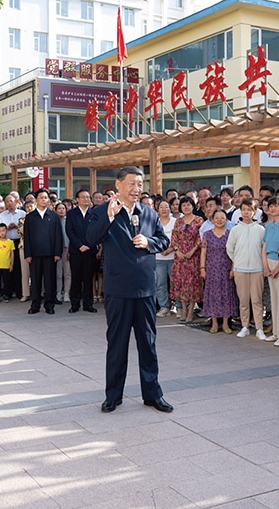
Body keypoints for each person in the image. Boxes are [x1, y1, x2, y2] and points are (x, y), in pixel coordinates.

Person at [87, 166, 172, 413]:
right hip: (118, 289)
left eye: (140, 184)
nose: (137, 189)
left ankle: (153, 394)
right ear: (118, 185)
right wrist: (109, 216)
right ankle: (113, 396)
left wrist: (149, 242)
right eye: (132, 184)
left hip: (145, 289)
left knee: (148, 344)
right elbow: (90, 238)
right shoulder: (102, 211)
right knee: (117, 345)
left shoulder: (148, 213)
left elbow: (164, 240)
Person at [227, 200, 264, 338]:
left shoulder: (260, 229)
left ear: (254, 212)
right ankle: (244, 326)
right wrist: (237, 262)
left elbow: (263, 249)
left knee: (256, 300)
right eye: (244, 209)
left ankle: (259, 328)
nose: (246, 212)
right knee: (243, 300)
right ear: (240, 211)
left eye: (249, 209)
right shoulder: (235, 229)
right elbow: (230, 249)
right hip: (240, 269)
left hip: (257, 269)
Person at [23, 188, 63, 315]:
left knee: (50, 281)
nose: (44, 200)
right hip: (34, 255)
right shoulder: (30, 217)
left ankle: (49, 304)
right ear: (36, 200)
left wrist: (57, 253)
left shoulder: (54, 216)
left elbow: (58, 236)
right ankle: (35, 304)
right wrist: (27, 254)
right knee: (35, 281)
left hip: (50, 254)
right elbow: (27, 237)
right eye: (41, 197)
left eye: (46, 197)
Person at [201, 209, 239, 333]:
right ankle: (214, 323)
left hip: (226, 268)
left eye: (222, 218)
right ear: (212, 220)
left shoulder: (230, 233)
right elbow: (203, 253)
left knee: (227, 294)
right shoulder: (207, 234)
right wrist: (202, 269)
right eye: (216, 218)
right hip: (211, 269)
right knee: (213, 295)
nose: (219, 220)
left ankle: (226, 323)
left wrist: (233, 268)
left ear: (226, 220)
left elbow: (234, 252)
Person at [169, 196, 204, 323]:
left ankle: (191, 311)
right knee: (181, 283)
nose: (186, 207)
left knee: (193, 284)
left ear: (193, 206)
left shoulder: (199, 220)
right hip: (180, 258)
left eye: (189, 205)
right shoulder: (178, 221)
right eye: (184, 205)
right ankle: (183, 309)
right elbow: (174, 237)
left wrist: (192, 250)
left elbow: (201, 238)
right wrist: (177, 250)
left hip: (193, 257)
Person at [261, 196, 279, 345]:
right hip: (269, 262)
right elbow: (264, 246)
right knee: (273, 300)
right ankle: (276, 332)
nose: (272, 208)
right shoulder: (269, 225)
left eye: (276, 206)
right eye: (270, 206)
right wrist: (265, 266)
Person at [65, 189, 97, 313]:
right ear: (77, 200)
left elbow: (96, 232)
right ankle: (75, 304)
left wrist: (88, 245)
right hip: (76, 251)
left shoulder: (93, 213)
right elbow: (70, 231)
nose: (86, 199)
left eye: (88, 197)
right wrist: (80, 245)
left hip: (90, 251)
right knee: (76, 278)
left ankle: (88, 304)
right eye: (83, 197)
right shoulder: (72, 214)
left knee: (88, 278)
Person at [0, 195, 26, 299]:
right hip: (6, 242)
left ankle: (19, 292)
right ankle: (7, 293)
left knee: (19, 268)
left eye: (11, 201)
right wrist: (8, 229)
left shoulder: (22, 213)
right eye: (7, 202)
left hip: (19, 242)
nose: (9, 203)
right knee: (8, 268)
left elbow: (26, 228)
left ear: (16, 202)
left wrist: (17, 227)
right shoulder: (2, 215)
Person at [154, 200, 176, 318]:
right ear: (158, 210)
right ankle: (164, 307)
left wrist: (168, 250)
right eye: (161, 207)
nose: (164, 209)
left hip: (173, 257)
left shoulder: (175, 222)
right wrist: (160, 248)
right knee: (160, 284)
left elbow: (178, 239)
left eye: (166, 207)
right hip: (158, 258)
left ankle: (178, 306)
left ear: (170, 209)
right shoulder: (154, 222)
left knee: (175, 283)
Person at [0, 224, 15, 303]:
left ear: (6, 231)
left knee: (6, 281)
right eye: (0, 231)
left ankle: (6, 295)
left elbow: (12, 254)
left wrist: (11, 264)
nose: (2, 233)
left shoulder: (10, 242)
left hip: (6, 265)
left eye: (3, 231)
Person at [54, 202, 71, 304]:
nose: (61, 210)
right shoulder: (54, 221)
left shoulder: (69, 221)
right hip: (57, 251)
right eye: (59, 208)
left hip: (68, 250)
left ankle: (66, 293)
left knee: (68, 273)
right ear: (55, 210)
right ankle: (58, 293)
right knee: (58, 274)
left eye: (63, 208)